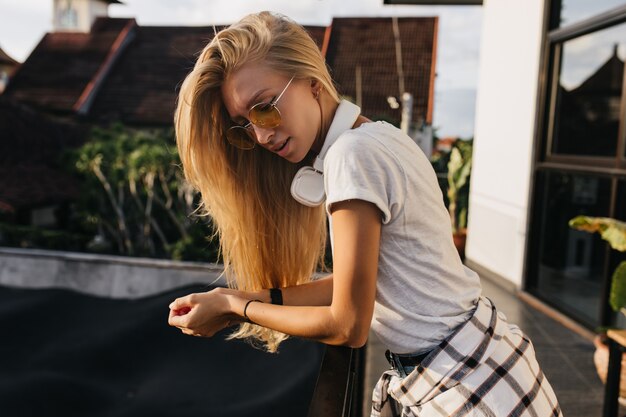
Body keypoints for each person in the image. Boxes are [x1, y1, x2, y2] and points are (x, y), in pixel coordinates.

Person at [168, 11, 562, 416]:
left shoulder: (351, 156)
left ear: (311, 82)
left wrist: (237, 309)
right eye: (244, 127)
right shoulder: (379, 135)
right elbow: (358, 284)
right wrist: (239, 295)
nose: (262, 134)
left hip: (467, 386)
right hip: (485, 363)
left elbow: (347, 325)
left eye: (264, 108)